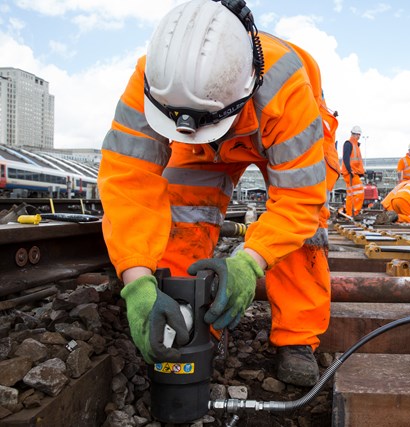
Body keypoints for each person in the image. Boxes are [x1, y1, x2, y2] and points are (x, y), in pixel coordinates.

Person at [97, 0, 337, 387]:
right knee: (183, 215)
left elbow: (297, 201)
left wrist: (248, 264)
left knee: (305, 232)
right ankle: (184, 320)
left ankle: (296, 338)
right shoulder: (154, 79)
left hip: (275, 124)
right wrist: (137, 280)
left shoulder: (285, 90)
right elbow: (128, 182)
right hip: (204, 132)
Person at [341, 126, 365, 217]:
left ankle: (349, 212)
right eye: (357, 135)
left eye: (359, 135)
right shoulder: (349, 144)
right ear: (354, 134)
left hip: (353, 172)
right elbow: (346, 158)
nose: (358, 137)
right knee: (359, 192)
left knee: (351, 194)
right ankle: (354, 212)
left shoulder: (355, 145)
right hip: (350, 173)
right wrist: (349, 169)